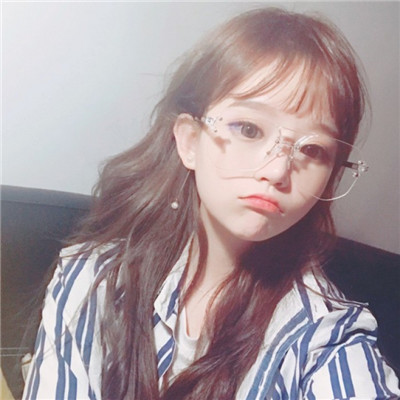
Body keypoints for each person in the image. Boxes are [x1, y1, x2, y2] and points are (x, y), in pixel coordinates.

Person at [22, 7, 400, 400]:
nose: (278, 171)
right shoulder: (94, 278)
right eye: (249, 129)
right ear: (189, 140)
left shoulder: (325, 336)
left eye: (312, 150)